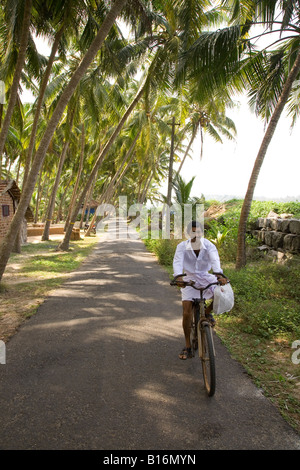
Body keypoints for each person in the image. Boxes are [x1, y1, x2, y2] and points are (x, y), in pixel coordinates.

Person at [173, 220, 228, 360]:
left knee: (221, 293)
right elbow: (178, 262)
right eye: (192, 232)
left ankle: (207, 313)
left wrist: (219, 275)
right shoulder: (181, 247)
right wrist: (179, 277)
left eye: (198, 232)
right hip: (189, 279)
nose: (196, 235)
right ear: (188, 234)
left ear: (202, 233)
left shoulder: (209, 246)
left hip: (205, 277)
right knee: (186, 312)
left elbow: (215, 261)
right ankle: (188, 346)